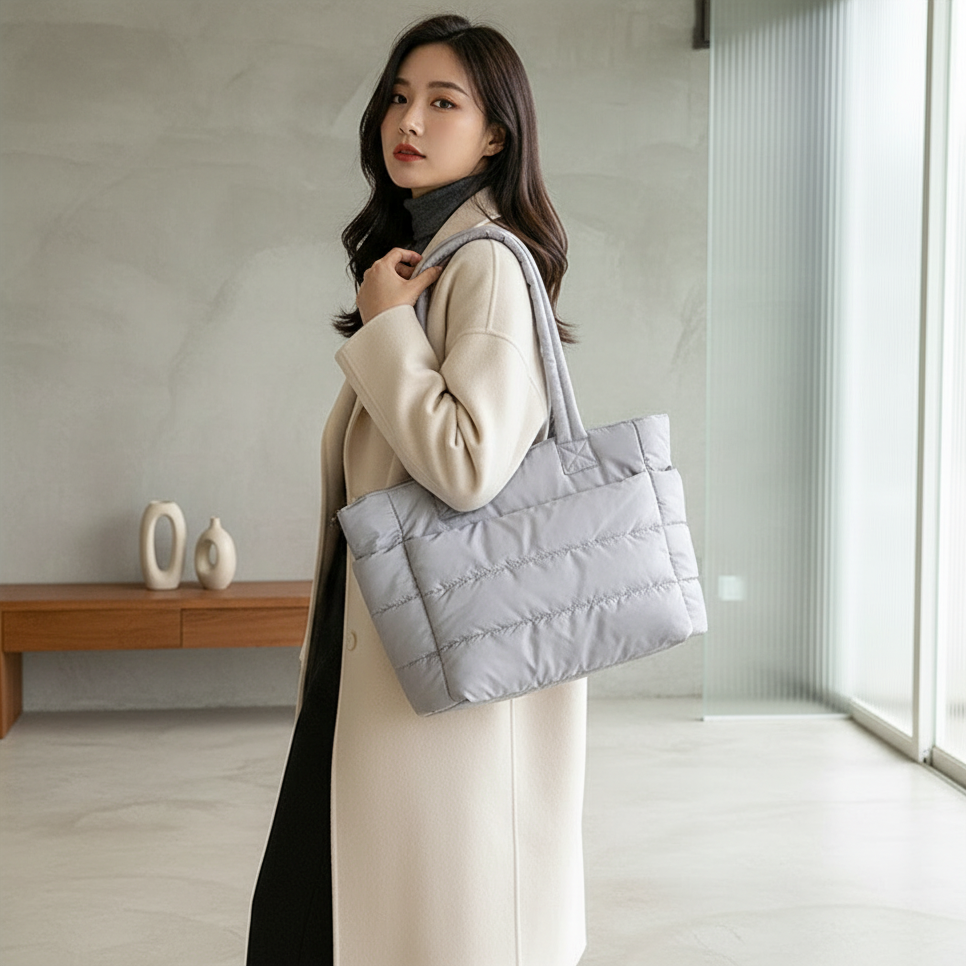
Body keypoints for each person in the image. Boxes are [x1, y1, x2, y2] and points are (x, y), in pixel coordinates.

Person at [247, 14, 587, 966]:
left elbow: (468, 466)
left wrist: (387, 329)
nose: (411, 118)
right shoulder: (427, 264)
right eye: (400, 96)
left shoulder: (484, 268)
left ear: (495, 136)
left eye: (445, 102)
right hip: (380, 663)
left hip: (429, 665)